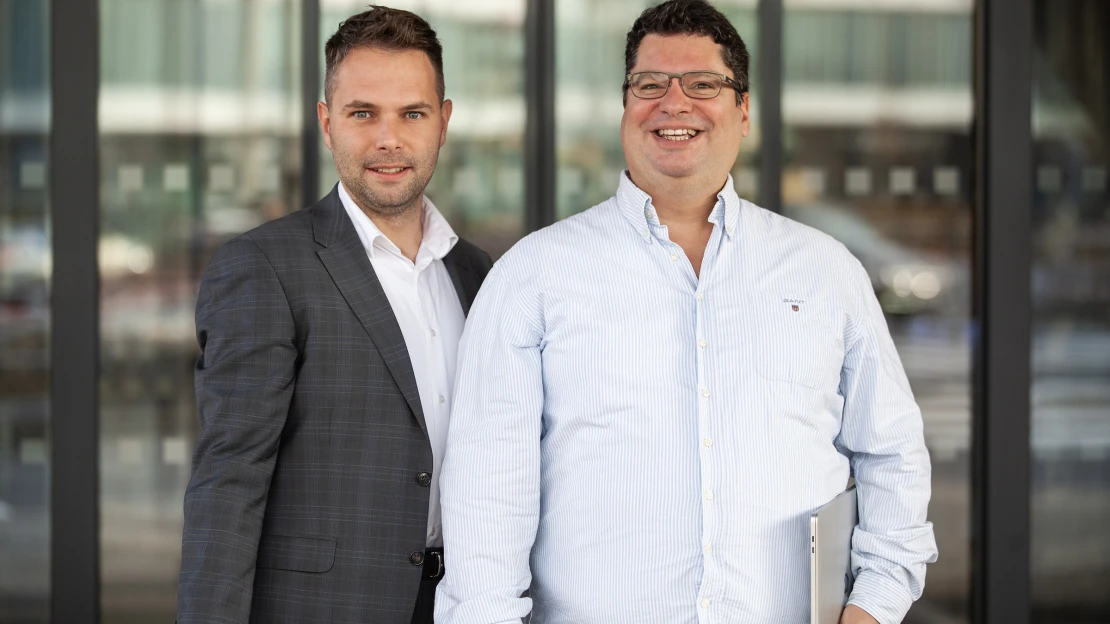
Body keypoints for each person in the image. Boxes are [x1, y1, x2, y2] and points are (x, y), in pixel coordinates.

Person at [435, 1, 937, 622]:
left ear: (743, 110)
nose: (674, 103)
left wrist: (873, 605)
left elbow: (891, 454)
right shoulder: (532, 274)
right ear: (626, 106)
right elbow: (486, 491)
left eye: (703, 84)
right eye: (650, 84)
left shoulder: (825, 272)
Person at [177, 6, 491, 623]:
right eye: (362, 113)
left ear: (443, 122)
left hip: (458, 604)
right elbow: (229, 480)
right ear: (327, 123)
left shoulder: (476, 273)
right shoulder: (265, 266)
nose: (388, 139)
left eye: (412, 114)